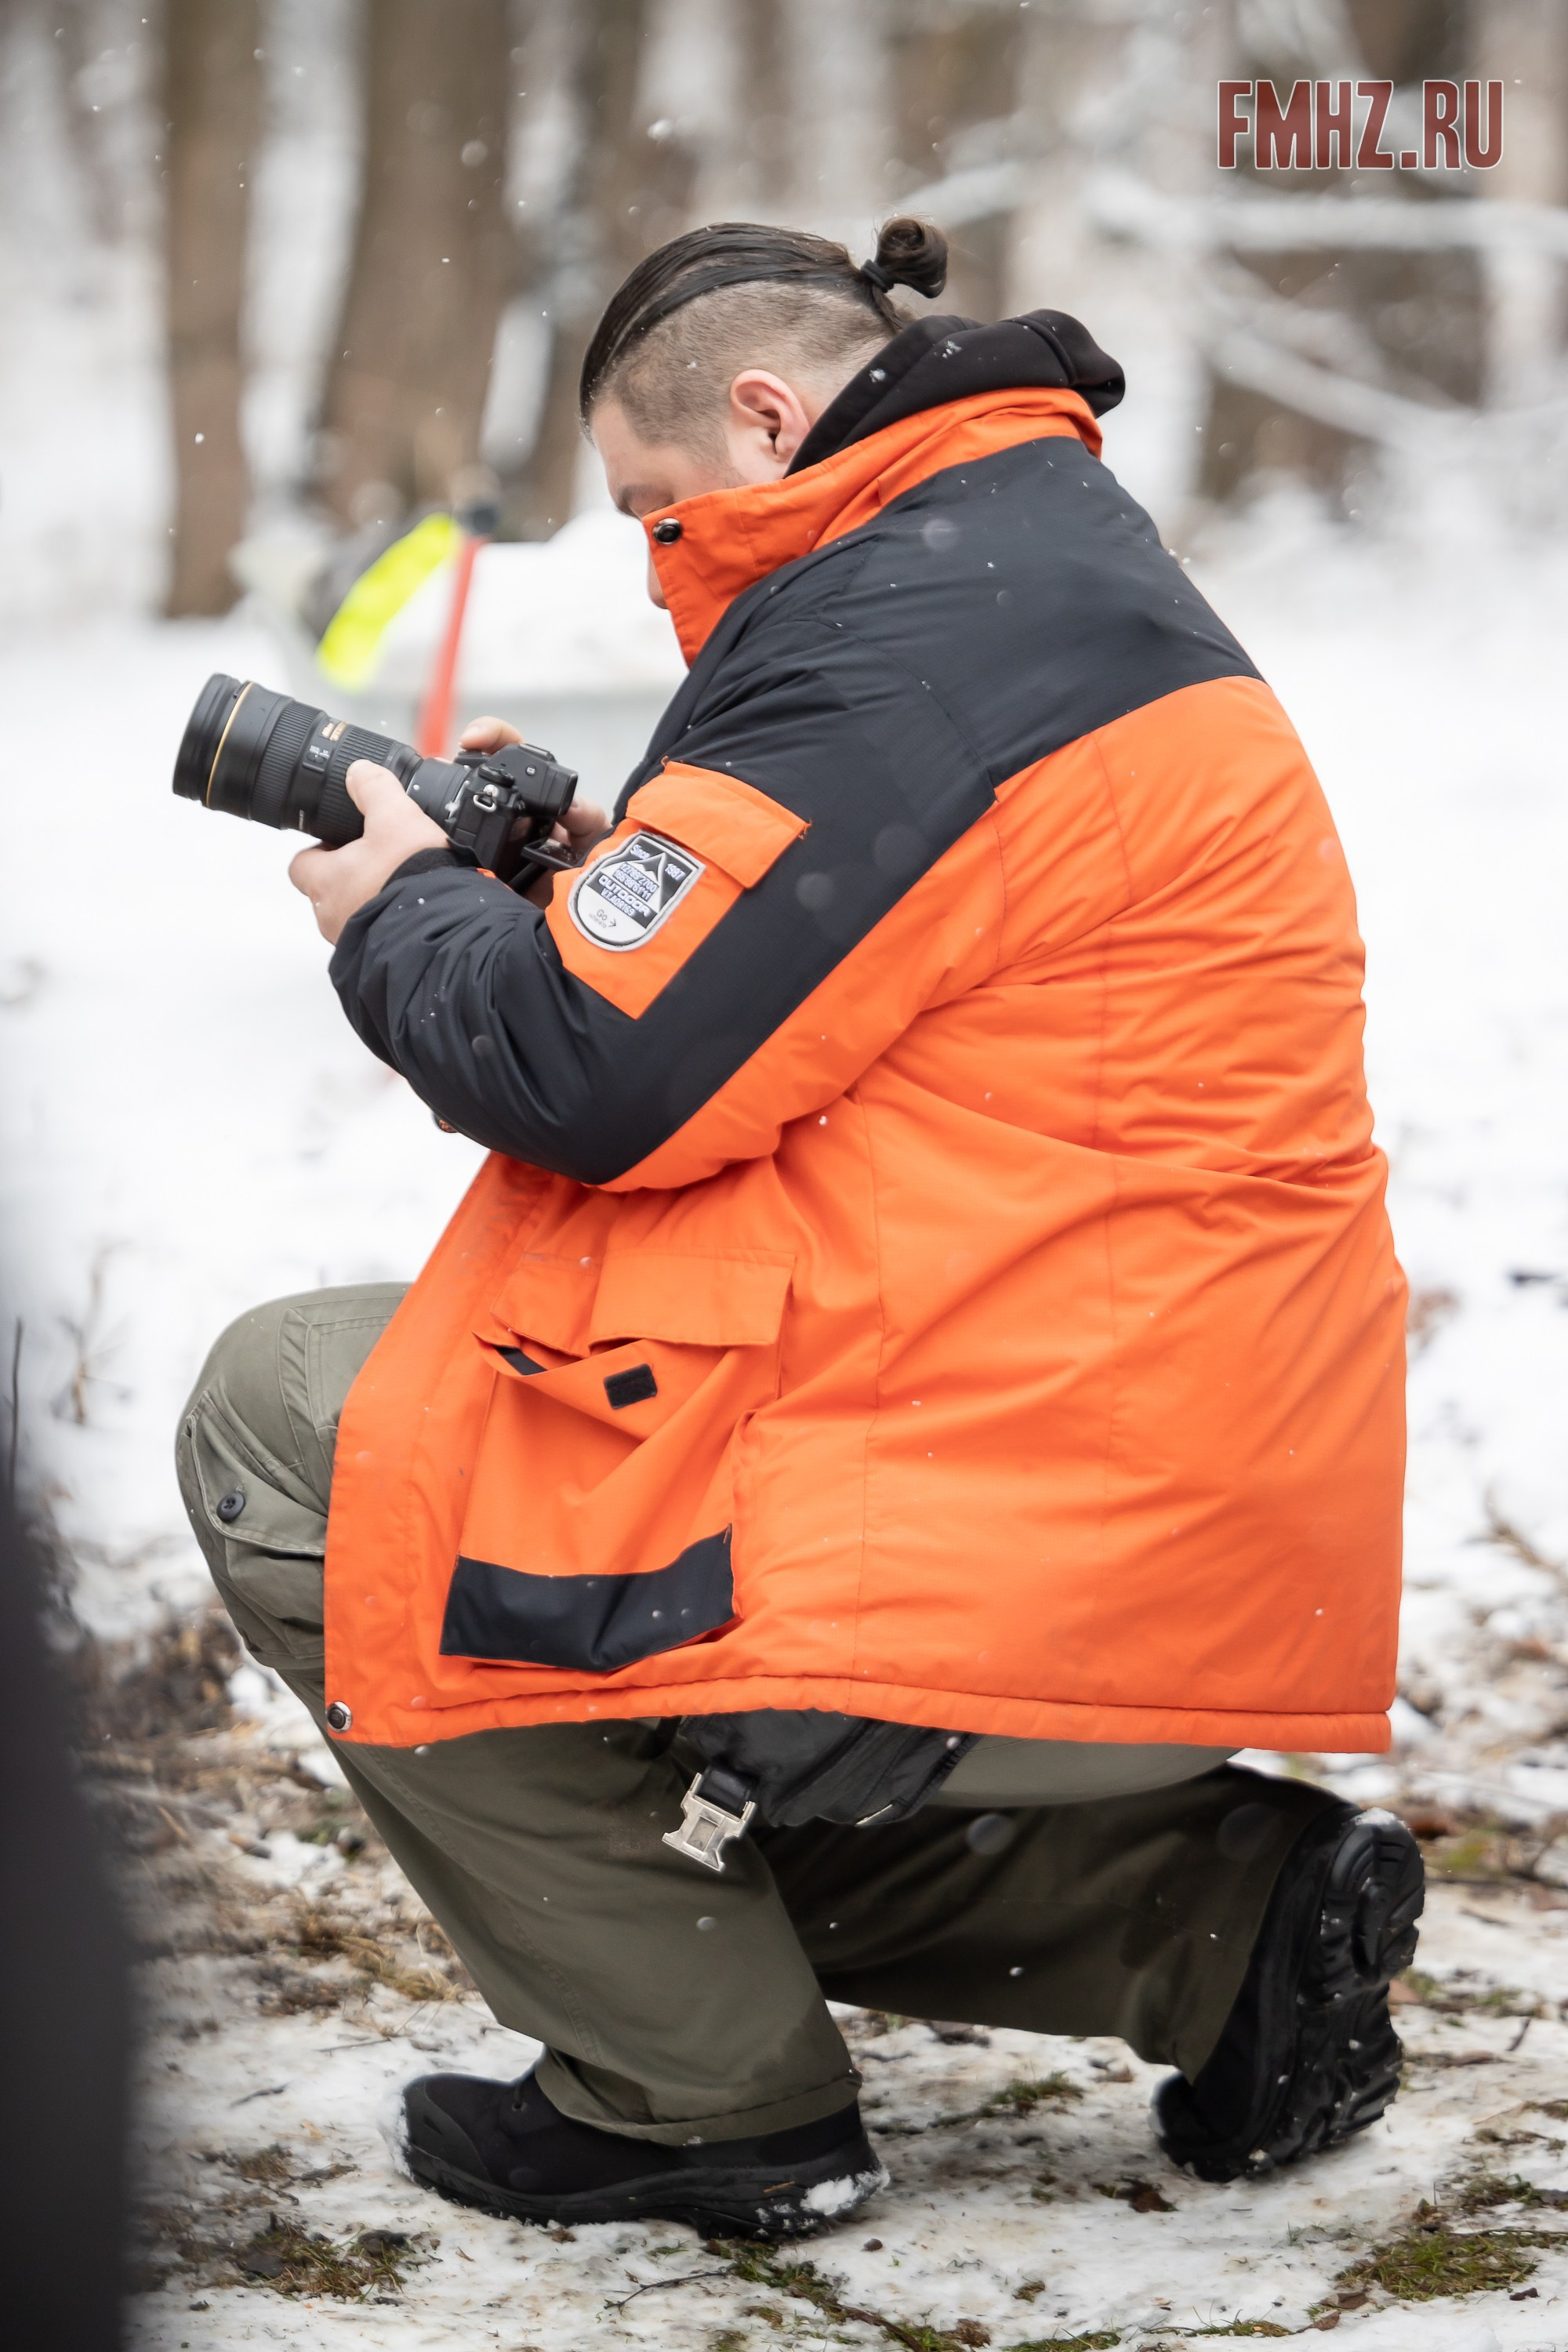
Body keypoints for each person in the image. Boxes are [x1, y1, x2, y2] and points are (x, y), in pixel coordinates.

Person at [177, 216, 1422, 2239]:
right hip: (1192, 1515)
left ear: (766, 414)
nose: (662, 563)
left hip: (1016, 1534)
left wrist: (407, 905)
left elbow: (588, 1076)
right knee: (573, 1568)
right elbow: (860, 978)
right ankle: (1210, 1921)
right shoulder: (1034, 576)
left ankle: (697, 2097)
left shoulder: (890, 638)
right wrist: (606, 867)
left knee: (303, 1422)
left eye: (661, 511)